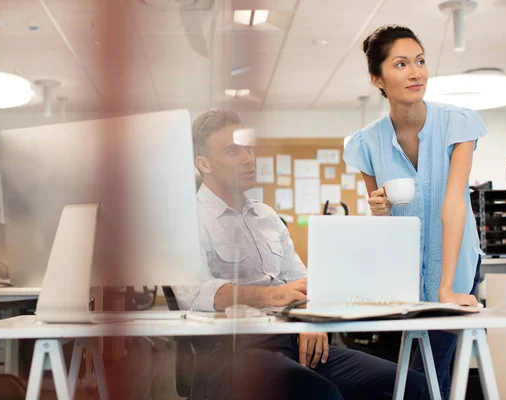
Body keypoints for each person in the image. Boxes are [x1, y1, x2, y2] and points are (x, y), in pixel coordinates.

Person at [175, 108, 428, 400]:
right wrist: (272, 295)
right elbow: (195, 294)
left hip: (294, 343)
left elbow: (304, 281)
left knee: (410, 386)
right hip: (231, 355)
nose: (248, 158)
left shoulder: (267, 217)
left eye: (248, 147)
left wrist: (311, 319)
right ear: (203, 163)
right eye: (233, 151)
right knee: (321, 394)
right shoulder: (189, 220)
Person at [343, 25, 486, 399]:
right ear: (377, 78)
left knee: (427, 378)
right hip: (404, 278)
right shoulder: (365, 143)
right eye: (401, 64)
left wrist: (446, 288)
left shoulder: (458, 123)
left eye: (420, 61)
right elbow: (383, 221)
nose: (415, 72)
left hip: (453, 268)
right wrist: (379, 208)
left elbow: (454, 203)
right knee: (414, 374)